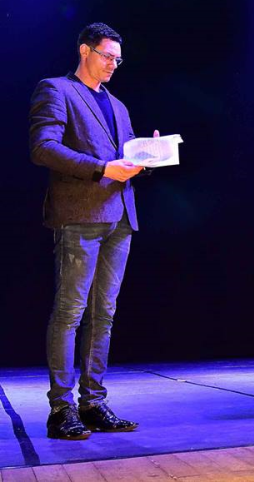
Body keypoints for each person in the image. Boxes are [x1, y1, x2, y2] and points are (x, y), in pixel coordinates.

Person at [29, 22, 157, 440]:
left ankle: (94, 401)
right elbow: (43, 148)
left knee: (105, 314)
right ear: (84, 50)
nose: (113, 65)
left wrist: (146, 154)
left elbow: (123, 154)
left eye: (118, 60)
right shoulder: (56, 89)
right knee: (71, 312)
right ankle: (61, 408)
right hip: (80, 214)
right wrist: (102, 168)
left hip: (119, 216)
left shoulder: (118, 106)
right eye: (107, 56)